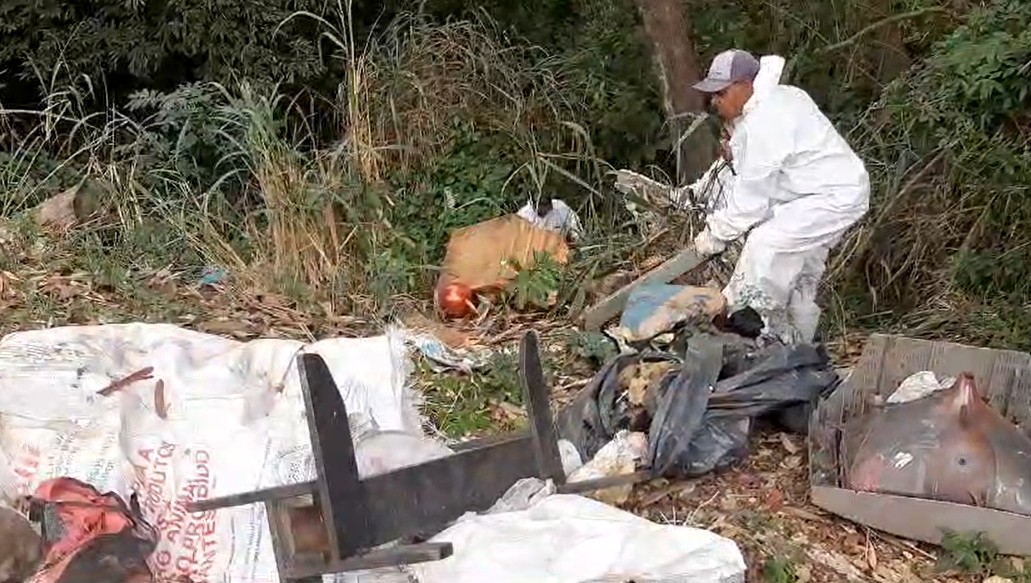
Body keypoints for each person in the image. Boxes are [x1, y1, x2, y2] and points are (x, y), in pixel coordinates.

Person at [683, 49, 869, 344]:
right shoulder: (780, 98)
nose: (715, 101)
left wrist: (712, 238)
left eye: (721, 92)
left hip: (830, 196)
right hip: (821, 192)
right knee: (802, 271)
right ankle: (797, 347)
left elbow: (750, 203)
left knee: (765, 243)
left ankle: (749, 326)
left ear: (745, 85)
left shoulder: (763, 122)